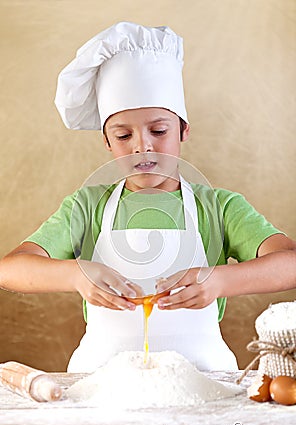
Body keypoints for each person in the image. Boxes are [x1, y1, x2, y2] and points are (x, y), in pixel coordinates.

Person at [0, 22, 295, 373]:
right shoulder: (86, 207)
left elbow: (289, 263)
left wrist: (219, 281)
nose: (142, 145)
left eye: (158, 130)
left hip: (204, 381)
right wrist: (75, 275)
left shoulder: (219, 207)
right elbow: (10, 269)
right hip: (102, 383)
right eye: (123, 135)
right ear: (107, 143)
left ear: (183, 130)